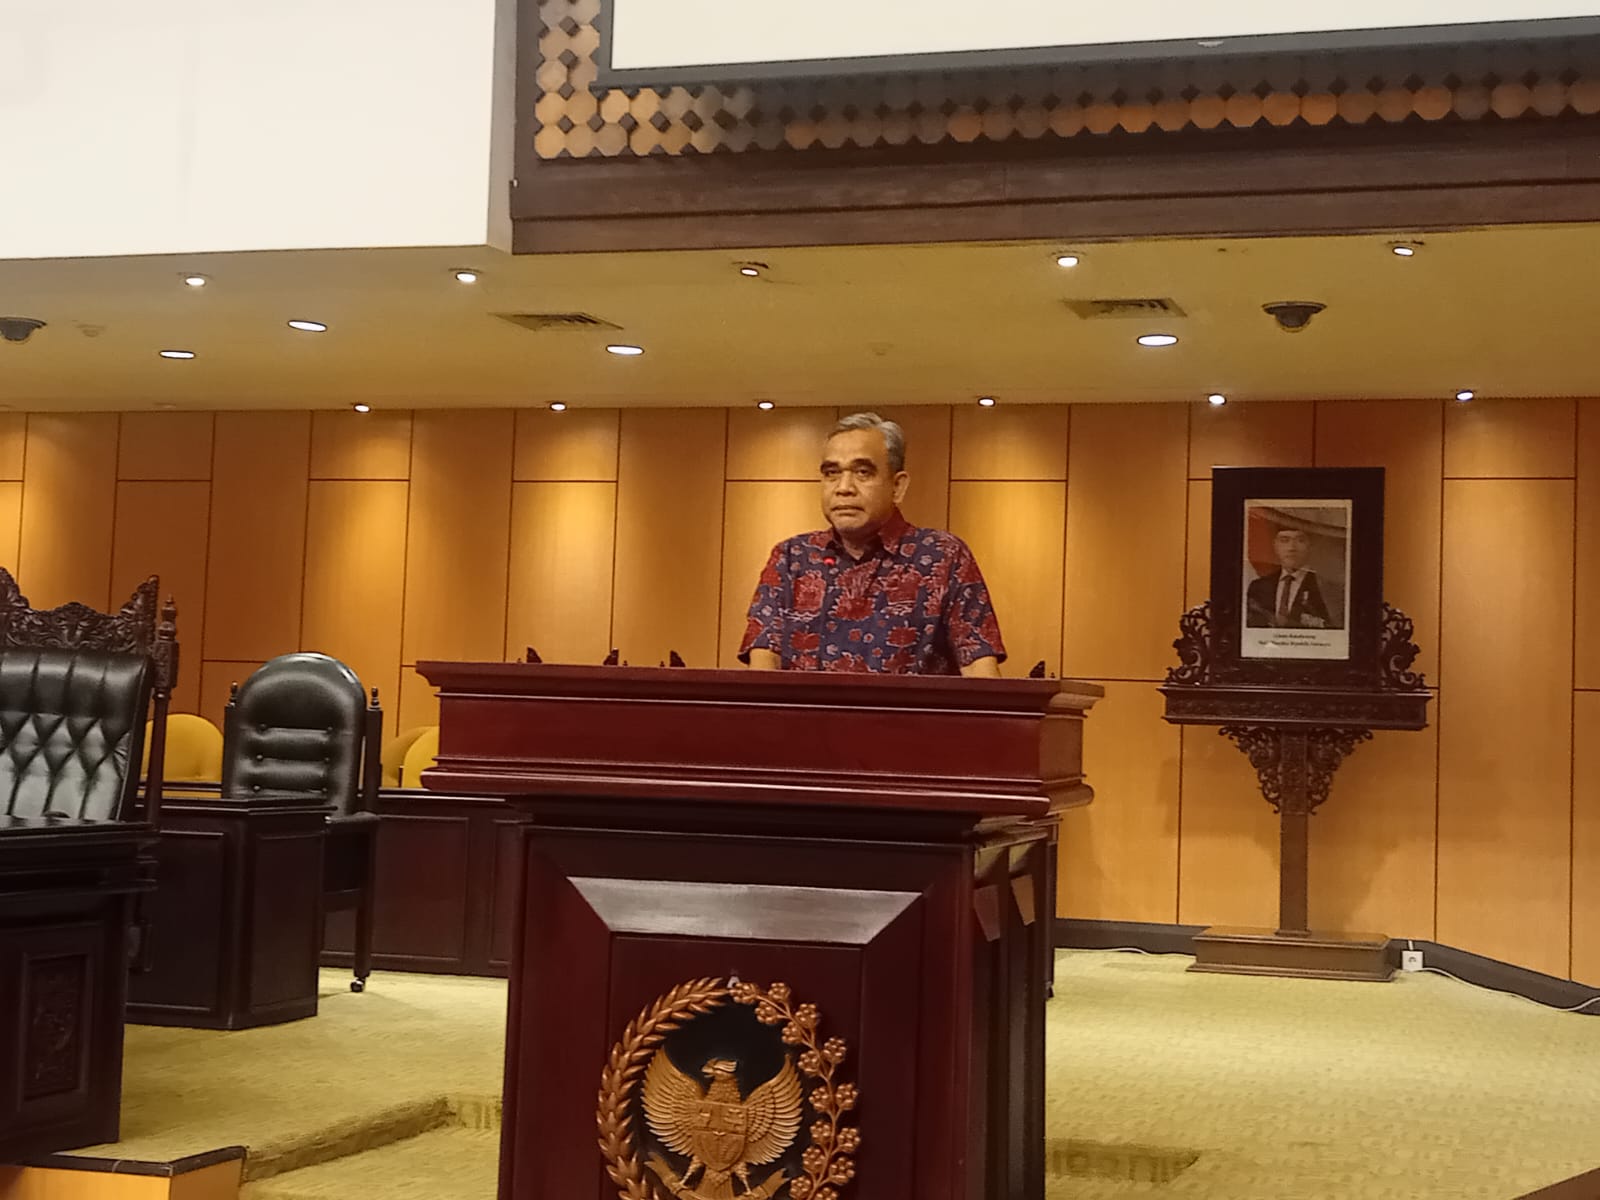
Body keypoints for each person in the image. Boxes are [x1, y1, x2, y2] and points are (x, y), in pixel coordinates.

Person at [739, 412, 1005, 675]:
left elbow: (978, 668)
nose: (844, 487)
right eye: (832, 473)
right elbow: (763, 665)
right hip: (803, 707)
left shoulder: (944, 556)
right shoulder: (792, 557)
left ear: (897, 486)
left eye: (862, 472)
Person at [1245, 526, 1343, 630]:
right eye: (1284, 540)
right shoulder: (1258, 586)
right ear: (1275, 545)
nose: (1291, 548)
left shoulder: (1327, 588)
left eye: (1300, 540)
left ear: (1310, 546)